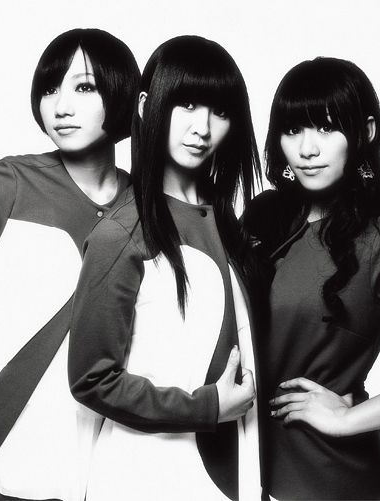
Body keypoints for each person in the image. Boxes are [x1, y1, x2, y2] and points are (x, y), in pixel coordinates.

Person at [0, 28, 139, 501]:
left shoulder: (146, 206)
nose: (61, 106)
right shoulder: (8, 183)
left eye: (84, 87)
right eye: (50, 88)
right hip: (5, 466)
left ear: (122, 93)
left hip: (111, 469)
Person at [68, 35, 262, 501]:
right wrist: (205, 408)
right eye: (187, 104)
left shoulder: (228, 226)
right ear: (145, 105)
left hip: (230, 471)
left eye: (219, 111)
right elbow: (92, 379)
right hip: (146, 475)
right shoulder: (122, 232)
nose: (202, 127)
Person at [244, 57, 380, 500]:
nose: (307, 149)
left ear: (365, 132)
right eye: (293, 129)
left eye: (327, 128)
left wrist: (346, 418)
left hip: (332, 479)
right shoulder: (263, 217)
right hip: (245, 466)